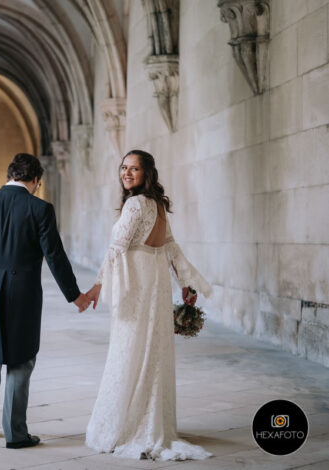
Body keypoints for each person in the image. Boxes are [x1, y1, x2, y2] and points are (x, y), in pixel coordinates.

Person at [0, 153, 91, 449]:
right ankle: (15, 433)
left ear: (9, 174)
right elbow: (55, 256)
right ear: (36, 181)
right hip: (22, 293)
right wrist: (75, 295)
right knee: (21, 359)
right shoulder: (40, 208)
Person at [84, 150, 213, 461]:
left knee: (128, 354)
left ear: (147, 174)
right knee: (151, 354)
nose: (127, 173)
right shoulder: (157, 206)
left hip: (136, 291)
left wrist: (98, 286)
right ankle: (153, 422)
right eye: (124, 168)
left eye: (135, 169)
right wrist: (186, 283)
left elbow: (117, 251)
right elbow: (171, 248)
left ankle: (126, 427)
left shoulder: (135, 204)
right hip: (155, 289)